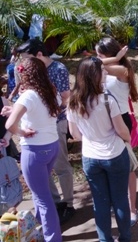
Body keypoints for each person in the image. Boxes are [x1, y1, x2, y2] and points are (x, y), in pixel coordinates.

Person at [67, 57, 131, 242]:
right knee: (119, 199)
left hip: (90, 157)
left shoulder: (73, 102)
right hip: (114, 155)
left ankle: (105, 239)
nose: (105, 72)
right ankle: (125, 237)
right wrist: (127, 139)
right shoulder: (107, 100)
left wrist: (91, 137)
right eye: (102, 70)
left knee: (100, 202)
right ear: (93, 75)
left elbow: (75, 134)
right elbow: (121, 130)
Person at [15, 39, 75, 224]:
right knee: (42, 172)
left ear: (40, 55)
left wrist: (48, 111)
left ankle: (68, 203)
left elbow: (66, 97)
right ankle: (54, 202)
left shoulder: (58, 69)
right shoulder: (29, 72)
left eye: (28, 58)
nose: (24, 64)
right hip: (34, 128)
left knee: (61, 165)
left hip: (54, 125)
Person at [4, 58, 62, 242]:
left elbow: (10, 124)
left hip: (35, 151)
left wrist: (22, 131)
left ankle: (53, 237)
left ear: (24, 74)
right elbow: (40, 111)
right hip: (52, 146)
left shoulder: (28, 95)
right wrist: (14, 109)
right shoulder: (51, 91)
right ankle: (40, 229)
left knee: (43, 198)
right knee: (40, 193)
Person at [95, 37, 138, 226]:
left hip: (122, 120)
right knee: (108, 163)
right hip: (104, 120)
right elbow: (93, 64)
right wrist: (114, 57)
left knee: (127, 167)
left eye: (100, 54)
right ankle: (117, 202)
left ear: (110, 54)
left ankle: (133, 209)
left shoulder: (122, 71)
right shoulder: (107, 68)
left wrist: (115, 58)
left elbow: (95, 65)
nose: (97, 57)